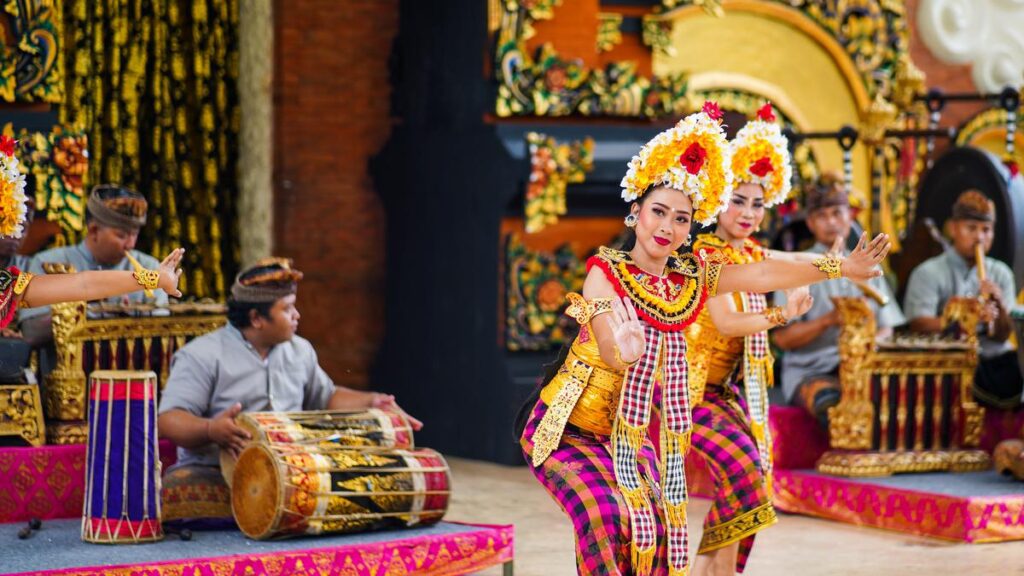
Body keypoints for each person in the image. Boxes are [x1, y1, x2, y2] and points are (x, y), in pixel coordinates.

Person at [515, 103, 890, 576]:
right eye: (658, 213)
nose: (667, 228)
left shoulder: (692, 276)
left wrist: (840, 267)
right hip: (568, 429)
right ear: (636, 213)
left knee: (659, 529)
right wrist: (619, 353)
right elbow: (611, 342)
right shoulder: (605, 272)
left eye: (681, 219)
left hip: (628, 439)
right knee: (607, 515)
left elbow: (762, 269)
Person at [157, 258, 422, 522]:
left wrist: (374, 402)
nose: (297, 315)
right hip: (218, 469)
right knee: (181, 488)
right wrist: (211, 430)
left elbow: (326, 396)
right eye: (287, 309)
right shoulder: (202, 355)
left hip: (293, 470)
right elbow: (168, 420)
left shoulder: (300, 350)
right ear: (257, 318)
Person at [685, 103, 813, 575]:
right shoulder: (703, 252)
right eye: (738, 200)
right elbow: (725, 324)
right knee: (745, 479)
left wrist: (835, 266)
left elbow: (787, 260)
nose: (747, 213)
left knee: (753, 481)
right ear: (719, 201)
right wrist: (783, 312)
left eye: (757, 204)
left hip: (727, 394)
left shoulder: (754, 252)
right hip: (684, 390)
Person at [0, 135, 185, 333]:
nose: (130, 243)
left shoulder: (6, 285)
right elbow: (35, 328)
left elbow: (84, 284)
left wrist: (156, 279)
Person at [772, 176, 904, 426]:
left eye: (837, 213)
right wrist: (828, 321)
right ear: (810, 223)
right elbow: (783, 339)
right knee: (831, 401)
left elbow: (888, 326)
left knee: (901, 396)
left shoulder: (868, 265)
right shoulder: (797, 267)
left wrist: (870, 344)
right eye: (822, 216)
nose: (831, 222)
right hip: (812, 370)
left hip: (863, 368)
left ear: (850, 215)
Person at [903, 190, 1021, 409]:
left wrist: (1000, 306)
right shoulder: (928, 272)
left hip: (993, 358)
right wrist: (967, 318)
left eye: (986, 230)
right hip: (948, 359)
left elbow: (1004, 334)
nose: (980, 237)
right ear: (953, 228)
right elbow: (918, 323)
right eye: (971, 228)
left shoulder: (1001, 273)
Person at [22, 184, 169, 346]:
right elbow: (31, 332)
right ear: (93, 231)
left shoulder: (148, 267)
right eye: (121, 235)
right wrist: (82, 304)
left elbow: (161, 331)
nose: (130, 244)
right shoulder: (48, 263)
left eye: (134, 235)